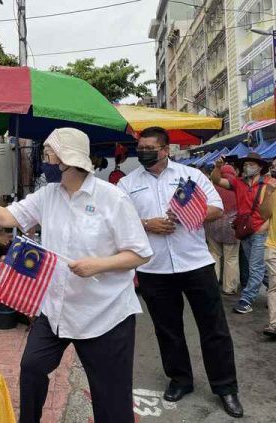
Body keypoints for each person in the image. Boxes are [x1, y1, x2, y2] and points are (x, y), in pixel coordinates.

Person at [0, 127, 153, 423]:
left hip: (105, 314)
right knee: (32, 368)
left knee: (110, 399)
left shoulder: (112, 198)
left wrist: (98, 265)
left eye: (47, 155)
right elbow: (6, 216)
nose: (43, 162)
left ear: (68, 160)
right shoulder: (47, 196)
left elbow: (141, 253)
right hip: (56, 308)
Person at [118, 127, 242, 418]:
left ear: (165, 150)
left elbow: (216, 207)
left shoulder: (191, 176)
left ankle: (225, 387)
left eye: (149, 148)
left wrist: (189, 214)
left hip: (195, 263)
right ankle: (180, 379)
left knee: (214, 328)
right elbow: (118, 219)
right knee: (167, 328)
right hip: (154, 267)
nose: (143, 152)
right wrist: (147, 224)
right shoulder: (127, 184)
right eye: (140, 148)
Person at [211, 152, 270, 314]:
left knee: (255, 266)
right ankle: (273, 291)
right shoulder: (238, 182)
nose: (247, 167)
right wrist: (218, 167)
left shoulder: (268, 184)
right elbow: (216, 180)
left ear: (260, 167)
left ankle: (246, 300)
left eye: (251, 164)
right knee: (258, 267)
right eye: (245, 165)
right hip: (244, 230)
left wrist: (264, 227)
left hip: (260, 231)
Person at [205, 164, 240, 295]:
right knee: (231, 257)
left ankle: (213, 285)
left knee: (214, 254)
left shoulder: (211, 186)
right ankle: (229, 287)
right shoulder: (237, 186)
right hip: (232, 225)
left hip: (212, 224)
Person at [258, 171, 276, 337]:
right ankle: (274, 324)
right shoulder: (269, 187)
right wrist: (269, 192)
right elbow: (263, 214)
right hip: (273, 245)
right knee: (275, 285)